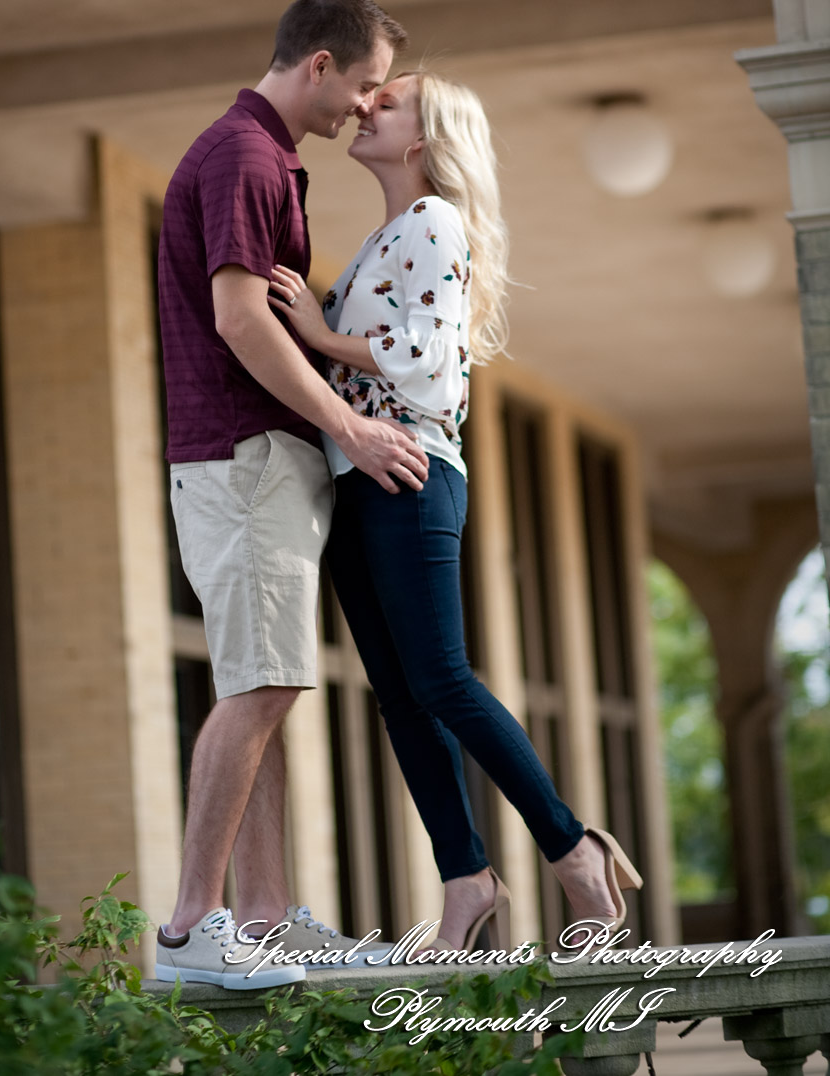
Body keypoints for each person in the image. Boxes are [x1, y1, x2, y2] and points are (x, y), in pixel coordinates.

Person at [269, 69, 642, 952]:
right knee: (400, 697)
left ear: (424, 143)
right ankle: (467, 878)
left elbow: (428, 355)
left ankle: (572, 847)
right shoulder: (387, 236)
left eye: (386, 103)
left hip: (412, 471)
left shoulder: (434, 222)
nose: (366, 107)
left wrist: (318, 333)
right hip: (362, 474)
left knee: (439, 677)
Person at [153, 0, 430, 989]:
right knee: (264, 683)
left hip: (254, 460)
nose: (366, 106)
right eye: (362, 85)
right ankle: (192, 928)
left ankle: (263, 919)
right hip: (241, 457)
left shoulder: (265, 158)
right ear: (319, 64)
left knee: (257, 680)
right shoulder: (244, 155)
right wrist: (348, 422)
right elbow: (238, 319)